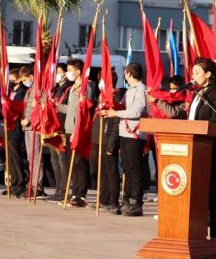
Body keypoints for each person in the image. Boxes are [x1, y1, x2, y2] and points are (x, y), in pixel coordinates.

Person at [185, 57, 216, 245]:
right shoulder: (197, 94)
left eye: (197, 73)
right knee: (195, 193)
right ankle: (195, 232)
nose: (193, 76)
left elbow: (214, 124)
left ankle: (214, 237)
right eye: (192, 73)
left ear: (208, 74)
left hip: (210, 150)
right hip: (193, 148)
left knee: (211, 193)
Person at [102, 63, 147, 216]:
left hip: (134, 133)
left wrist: (116, 113)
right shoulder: (129, 91)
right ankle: (127, 199)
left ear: (128, 74)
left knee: (134, 168)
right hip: (124, 133)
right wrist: (110, 108)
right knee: (127, 168)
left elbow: (137, 111)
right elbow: (124, 108)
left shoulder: (141, 89)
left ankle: (136, 201)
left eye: (125, 73)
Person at [58, 58, 96, 208]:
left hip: (79, 130)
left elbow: (86, 109)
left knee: (80, 162)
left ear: (78, 71)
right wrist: (57, 106)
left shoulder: (87, 86)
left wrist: (76, 130)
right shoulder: (73, 87)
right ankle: (74, 191)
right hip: (69, 128)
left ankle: (81, 194)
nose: (68, 73)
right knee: (72, 162)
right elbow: (70, 110)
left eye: (70, 70)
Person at [47, 63, 73, 202]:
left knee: (63, 161)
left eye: (60, 72)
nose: (57, 75)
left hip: (62, 128)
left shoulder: (69, 89)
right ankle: (57, 189)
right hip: (52, 128)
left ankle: (64, 191)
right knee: (54, 161)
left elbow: (69, 109)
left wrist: (56, 105)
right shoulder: (56, 88)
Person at [20, 66, 44, 198]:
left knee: (36, 158)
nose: (24, 82)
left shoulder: (38, 89)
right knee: (31, 158)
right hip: (27, 127)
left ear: (30, 76)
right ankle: (31, 184)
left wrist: (29, 119)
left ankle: (37, 186)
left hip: (35, 126)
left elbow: (41, 106)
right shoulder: (30, 89)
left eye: (25, 79)